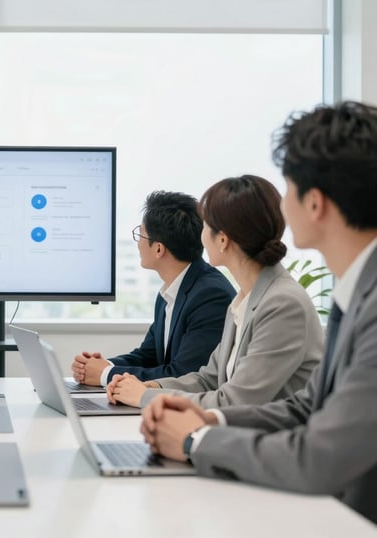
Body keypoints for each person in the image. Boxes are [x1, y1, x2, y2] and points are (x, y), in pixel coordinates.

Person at [140, 101, 377, 523]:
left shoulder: (353, 302)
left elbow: (319, 458)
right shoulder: (358, 292)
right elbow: (306, 407)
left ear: (316, 203)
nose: (282, 207)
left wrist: (196, 441)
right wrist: (207, 415)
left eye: (288, 189)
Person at [107, 175, 323, 408]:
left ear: (222, 240)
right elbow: (208, 378)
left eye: (206, 225)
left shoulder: (282, 304)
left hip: (272, 439)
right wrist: (154, 387)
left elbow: (235, 400)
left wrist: (143, 397)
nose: (200, 234)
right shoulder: (243, 300)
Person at [72, 191, 235, 386]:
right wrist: (100, 365)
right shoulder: (170, 291)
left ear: (158, 249)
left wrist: (105, 374)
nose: (138, 242)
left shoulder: (210, 296)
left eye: (140, 234)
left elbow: (183, 374)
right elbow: (149, 356)